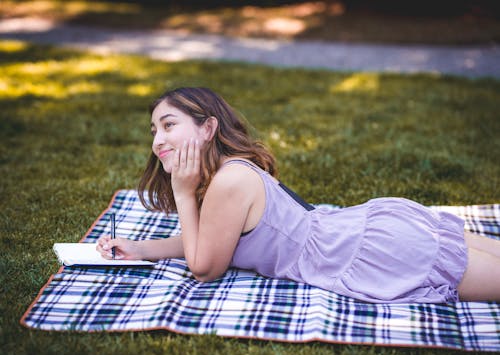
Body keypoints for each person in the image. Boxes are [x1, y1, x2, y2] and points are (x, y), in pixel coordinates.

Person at [97, 87, 500, 303]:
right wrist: (141, 249)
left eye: (168, 125)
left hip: (374, 252)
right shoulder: (226, 173)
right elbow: (211, 240)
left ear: (207, 129)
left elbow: (205, 268)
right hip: (365, 231)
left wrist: (182, 194)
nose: (158, 140)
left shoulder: (227, 183)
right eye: (154, 130)